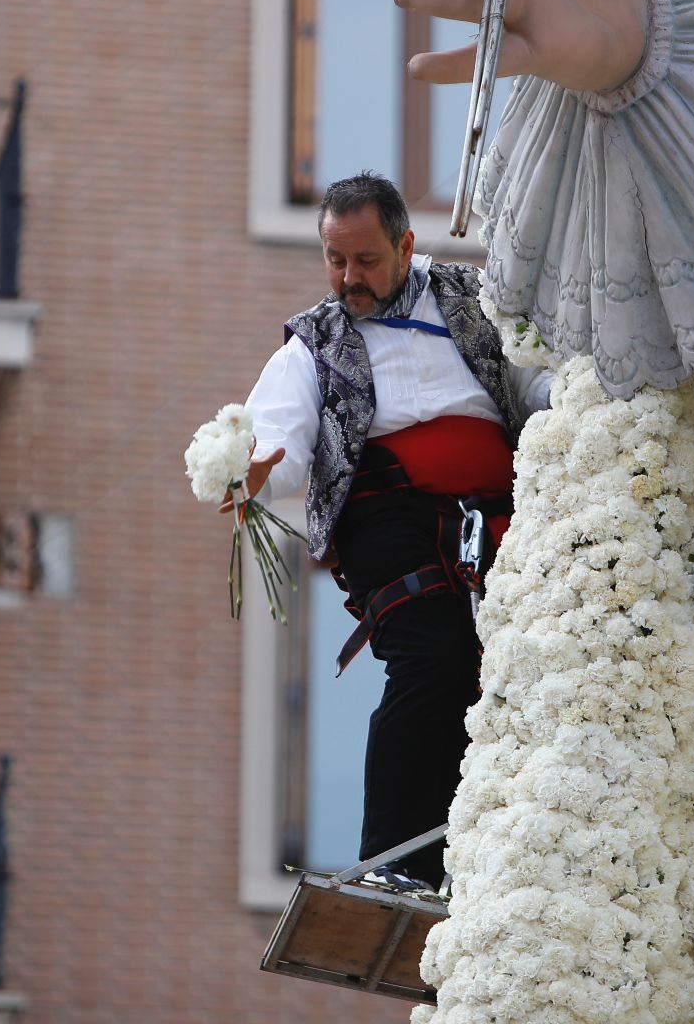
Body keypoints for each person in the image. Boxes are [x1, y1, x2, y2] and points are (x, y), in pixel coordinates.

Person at [231, 173, 550, 889]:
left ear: (405, 245)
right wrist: (252, 472)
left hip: (497, 515)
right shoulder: (312, 344)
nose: (349, 278)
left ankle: (472, 864)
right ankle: (392, 861)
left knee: (510, 672)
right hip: (388, 520)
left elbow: (534, 386)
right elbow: (281, 438)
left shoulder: (476, 300)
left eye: (366, 260)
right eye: (335, 260)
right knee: (431, 657)